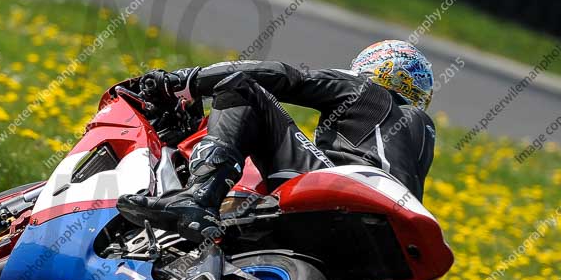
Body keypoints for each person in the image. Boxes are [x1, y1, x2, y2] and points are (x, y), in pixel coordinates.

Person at [117, 40, 437, 243]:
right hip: (388, 239)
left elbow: (285, 76)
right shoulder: (420, 133)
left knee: (240, 87)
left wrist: (183, 82)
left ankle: (199, 197)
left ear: (373, 69)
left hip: (347, 196)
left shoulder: (368, 90)